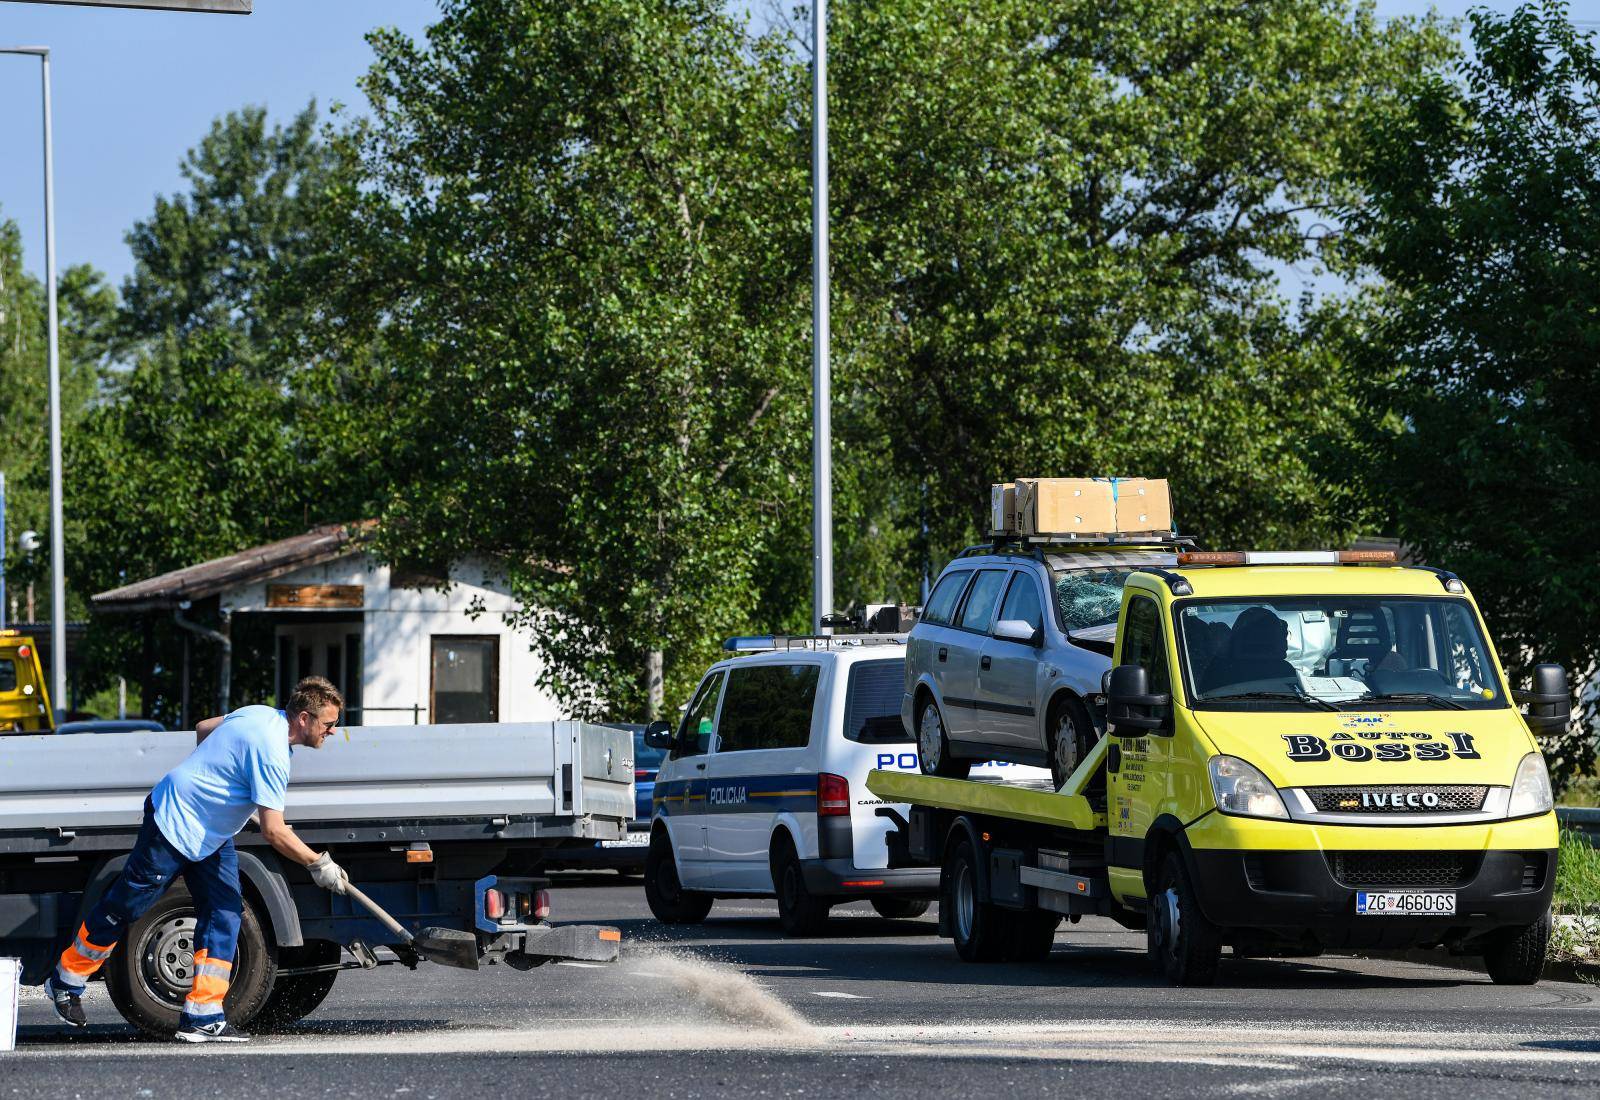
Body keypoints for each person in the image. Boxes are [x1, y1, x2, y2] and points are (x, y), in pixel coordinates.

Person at [42, 676, 353, 1043]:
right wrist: (318, 864)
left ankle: (203, 1015)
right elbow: (274, 832)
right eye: (328, 724)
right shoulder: (273, 753)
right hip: (174, 822)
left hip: (212, 833)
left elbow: (204, 728)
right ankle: (66, 979)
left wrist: (219, 784)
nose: (332, 732)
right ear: (304, 718)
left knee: (224, 911)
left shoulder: (258, 714)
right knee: (129, 903)